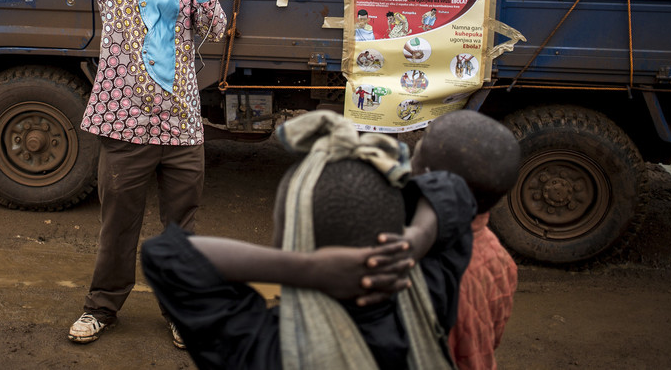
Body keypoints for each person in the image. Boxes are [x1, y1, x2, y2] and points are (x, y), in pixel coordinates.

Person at [65, 0, 227, 347]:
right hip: (125, 122)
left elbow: (214, 30)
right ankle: (102, 306)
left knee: (181, 228)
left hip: (182, 122)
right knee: (118, 226)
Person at [142, 110, 475, 369]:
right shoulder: (430, 293)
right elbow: (454, 187)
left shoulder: (272, 347)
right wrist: (416, 238)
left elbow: (164, 254)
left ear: (294, 242)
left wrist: (307, 269)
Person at [412, 111, 521, 370]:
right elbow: (493, 336)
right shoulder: (502, 259)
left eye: (415, 155)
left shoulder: (423, 268)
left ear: (432, 182)